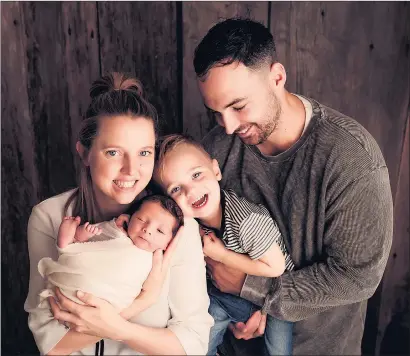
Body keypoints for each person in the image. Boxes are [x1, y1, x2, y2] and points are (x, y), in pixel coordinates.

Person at [193, 18, 393, 355]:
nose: (227, 126)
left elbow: (356, 276)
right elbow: (194, 237)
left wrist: (258, 292)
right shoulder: (214, 151)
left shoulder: (351, 158)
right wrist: (236, 301)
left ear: (277, 77)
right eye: (216, 112)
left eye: (238, 106)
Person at [24, 72, 213, 356]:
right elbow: (51, 346)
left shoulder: (174, 226)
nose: (131, 170)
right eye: (113, 153)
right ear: (85, 154)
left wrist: (118, 329)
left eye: (144, 153)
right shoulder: (49, 218)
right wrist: (140, 302)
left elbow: (193, 344)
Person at [153, 133, 295, 355]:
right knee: (205, 330)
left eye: (197, 175)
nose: (191, 191)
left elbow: (276, 268)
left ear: (216, 170)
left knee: (277, 349)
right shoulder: (193, 225)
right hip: (233, 297)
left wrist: (220, 254)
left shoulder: (246, 221)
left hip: (277, 295)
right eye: (176, 189)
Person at [38, 194, 184, 315]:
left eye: (160, 231)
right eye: (141, 220)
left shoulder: (156, 261)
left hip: (108, 301)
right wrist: (84, 232)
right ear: (129, 218)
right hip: (77, 278)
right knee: (74, 251)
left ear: (168, 243)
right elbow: (93, 239)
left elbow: (148, 288)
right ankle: (65, 244)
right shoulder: (118, 231)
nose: (148, 230)